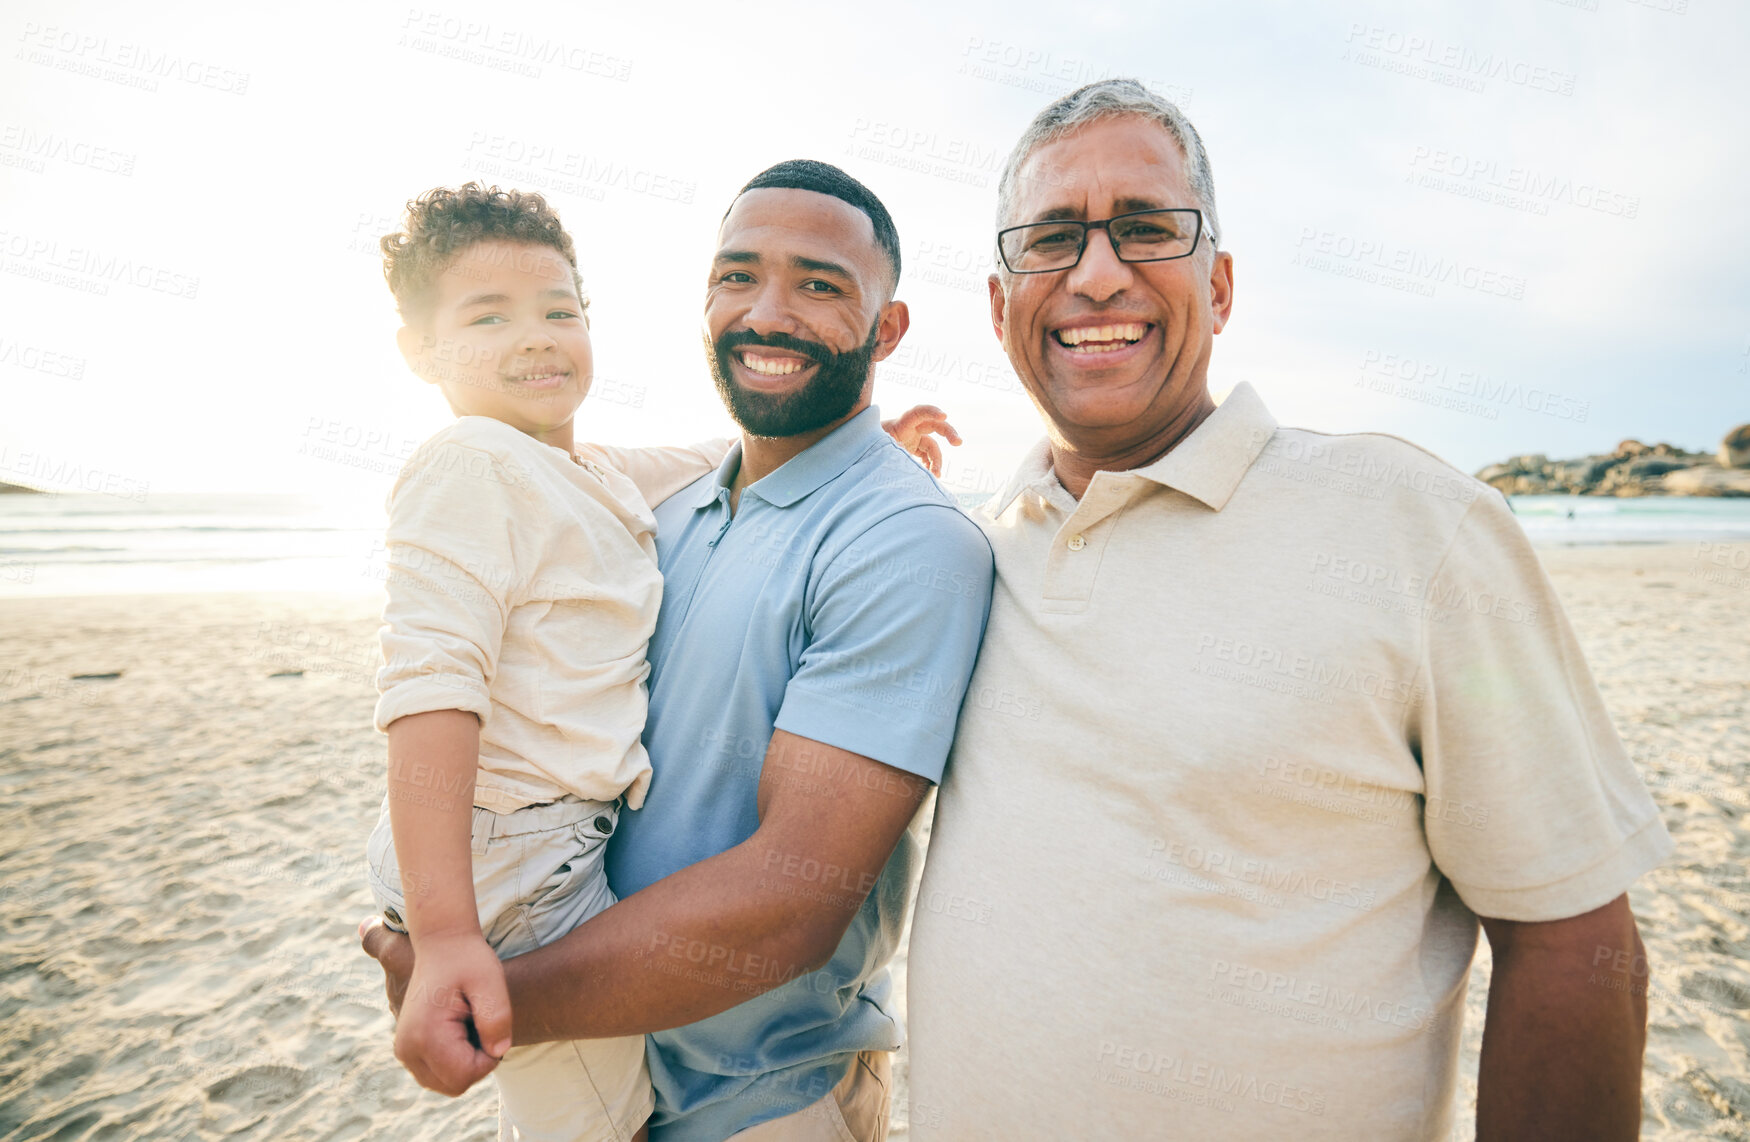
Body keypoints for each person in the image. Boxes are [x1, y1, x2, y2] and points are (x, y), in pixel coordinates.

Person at [905, 80, 1671, 1141]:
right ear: (999, 307)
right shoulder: (962, 552)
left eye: (1144, 228)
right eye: (1050, 239)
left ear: (1217, 287)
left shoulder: (1415, 528)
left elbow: (1576, 945)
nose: (1095, 273)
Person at [363, 161, 994, 1142]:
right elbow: (441, 672)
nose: (767, 310)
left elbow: (791, 900)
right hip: (600, 1030)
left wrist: (478, 997)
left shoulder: (903, 539)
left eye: (820, 284)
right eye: (736, 275)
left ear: (888, 328)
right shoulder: (658, 508)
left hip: (757, 1098)